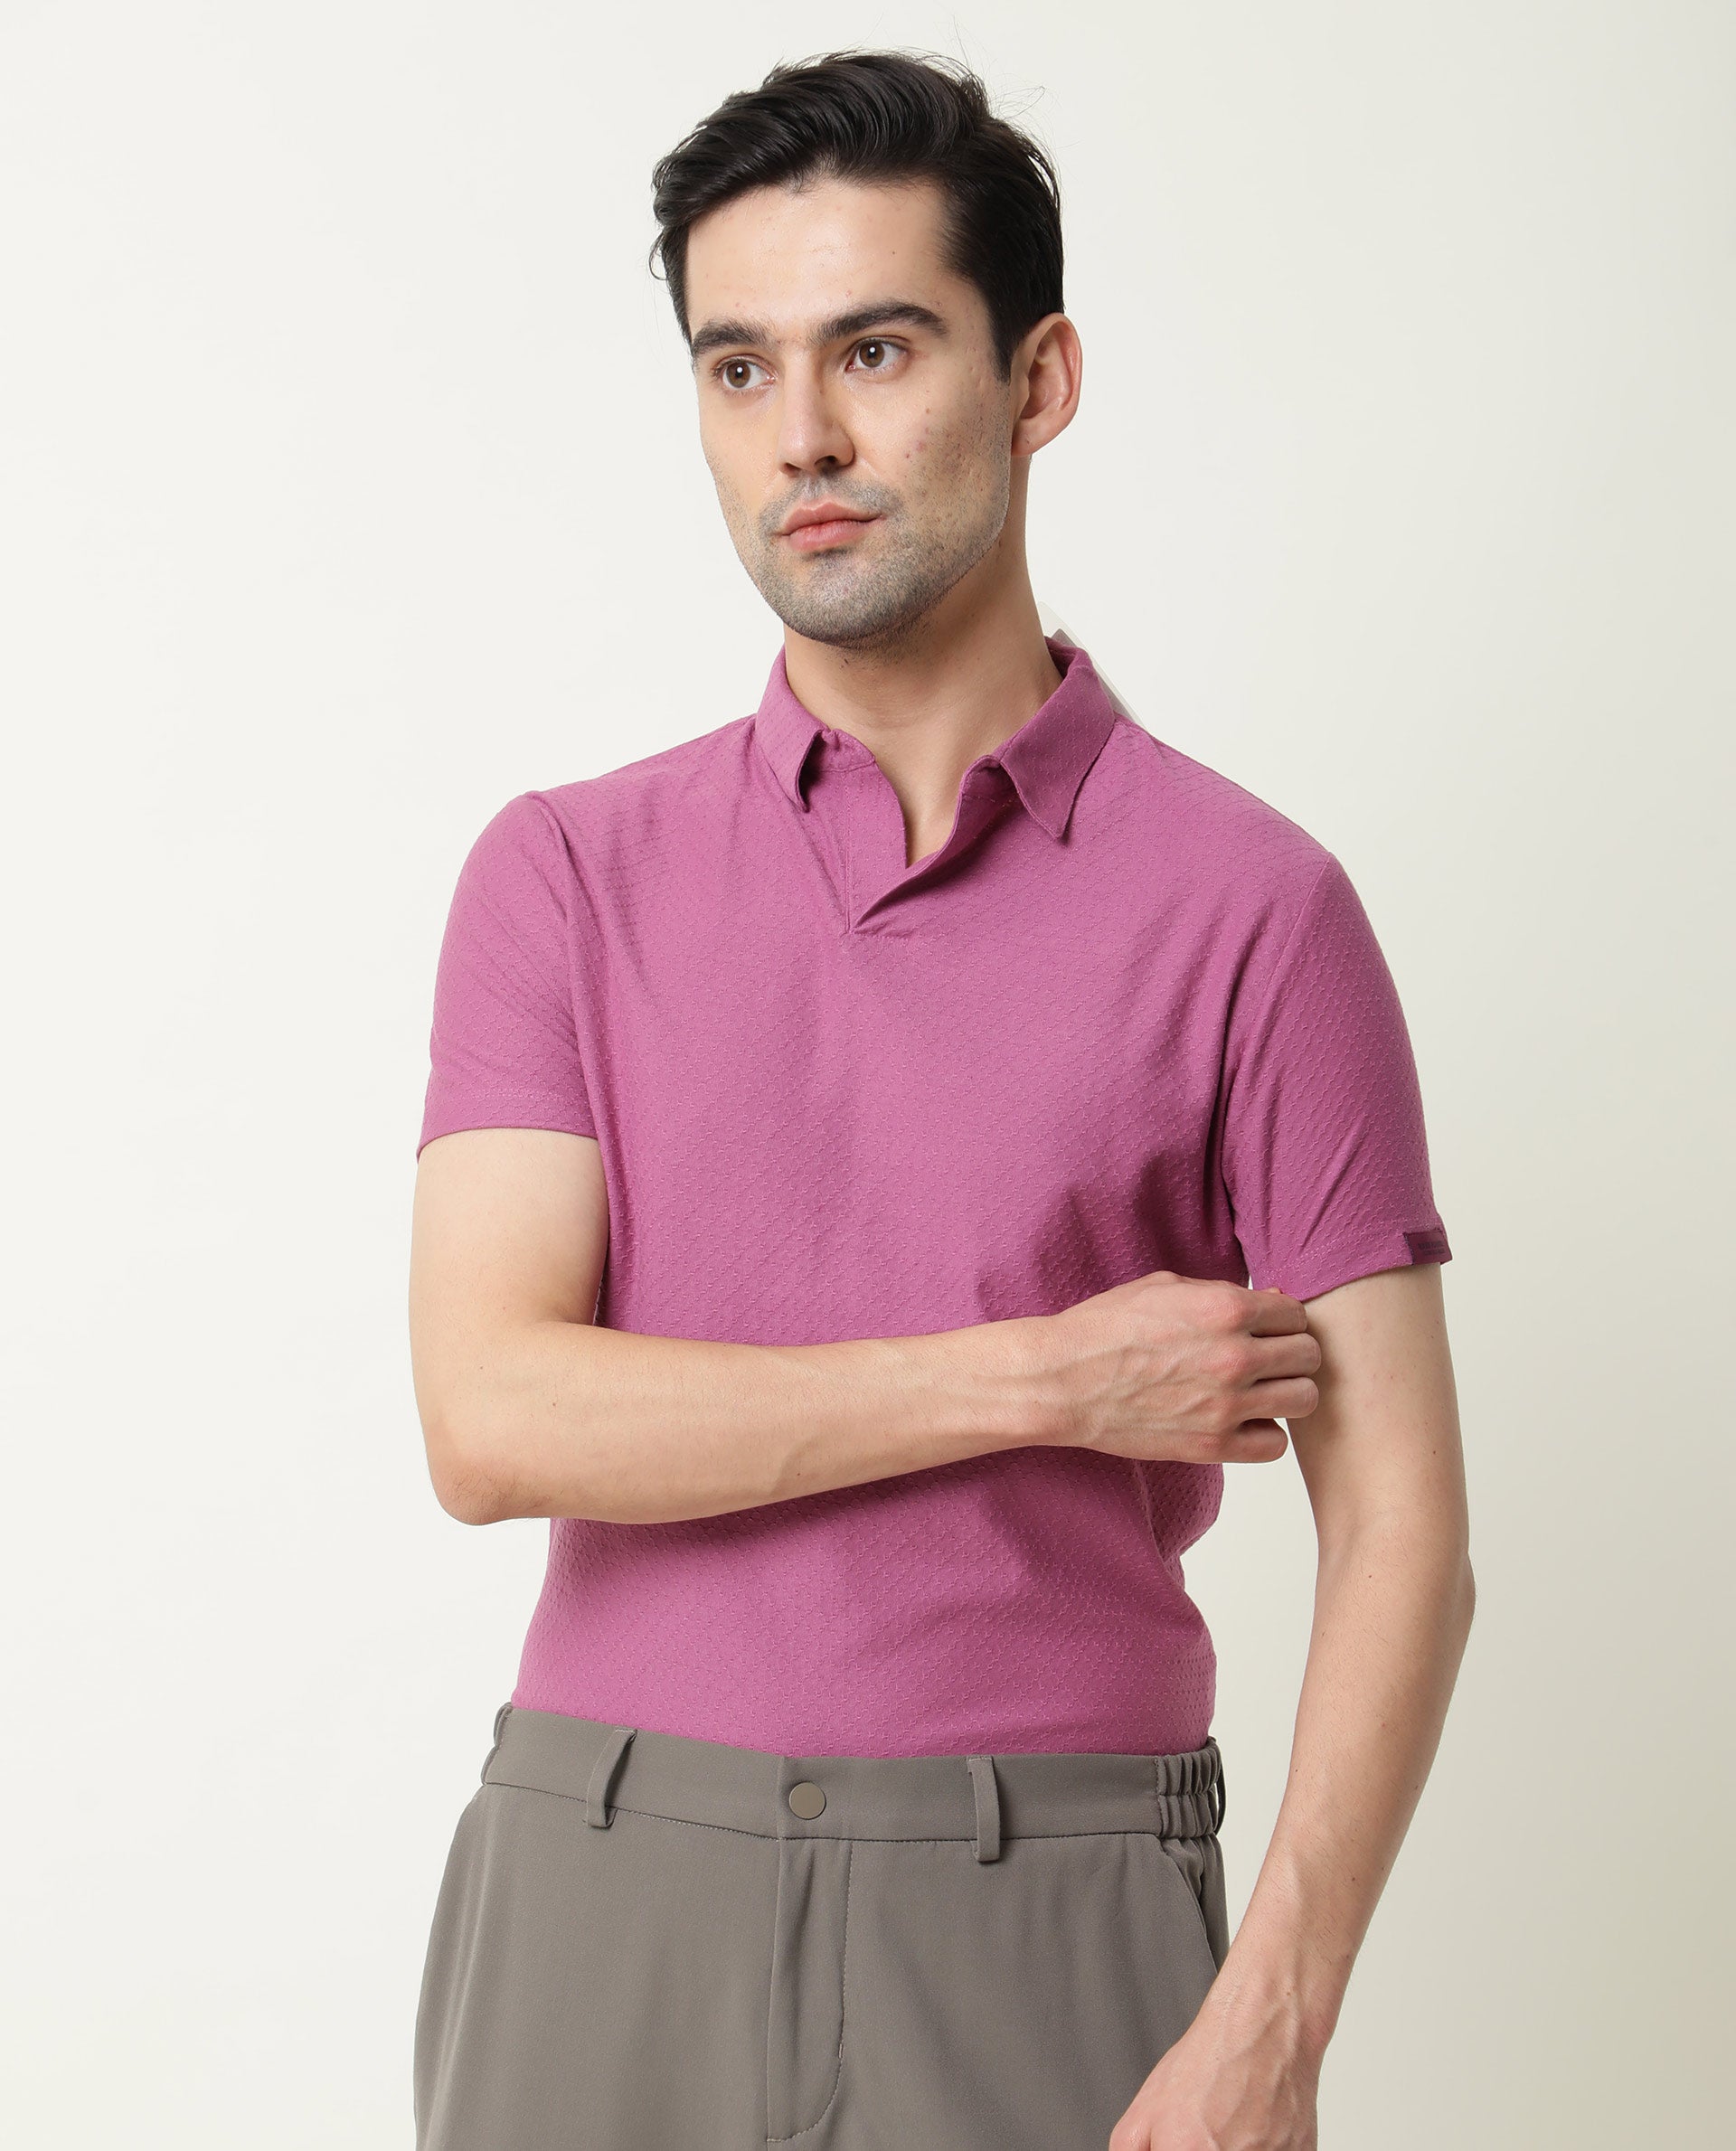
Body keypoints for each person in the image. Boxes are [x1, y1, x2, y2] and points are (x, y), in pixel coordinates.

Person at [407, 48, 1473, 2151]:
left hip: (1050, 1892)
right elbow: (494, 1415)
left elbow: (1405, 1526)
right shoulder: (564, 875)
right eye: (739, 367)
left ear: (1038, 377)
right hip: (606, 1882)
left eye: (874, 351)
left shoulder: (1258, 911)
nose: (801, 435)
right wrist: (1045, 1379)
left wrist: (1277, 2017)